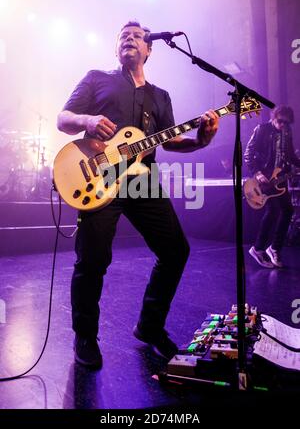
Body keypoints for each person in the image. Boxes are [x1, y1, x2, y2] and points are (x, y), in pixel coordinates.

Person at [57, 21, 219, 368]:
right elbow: (62, 118)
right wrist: (86, 121)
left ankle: (149, 327)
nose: (129, 40)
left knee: (176, 250)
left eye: (136, 37)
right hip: (100, 176)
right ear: (116, 48)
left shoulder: (159, 97)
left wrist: (200, 141)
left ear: (149, 49)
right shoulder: (97, 78)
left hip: (141, 180)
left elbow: (171, 140)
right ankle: (85, 335)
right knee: (93, 260)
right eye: (123, 36)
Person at [244, 105, 300, 269]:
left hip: (280, 177)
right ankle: (258, 248)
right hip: (264, 178)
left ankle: (274, 248)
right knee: (273, 210)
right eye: (280, 121)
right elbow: (248, 153)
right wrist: (258, 173)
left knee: (288, 211)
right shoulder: (262, 129)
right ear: (274, 117)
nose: (283, 125)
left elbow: (290, 156)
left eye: (287, 123)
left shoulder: (287, 132)